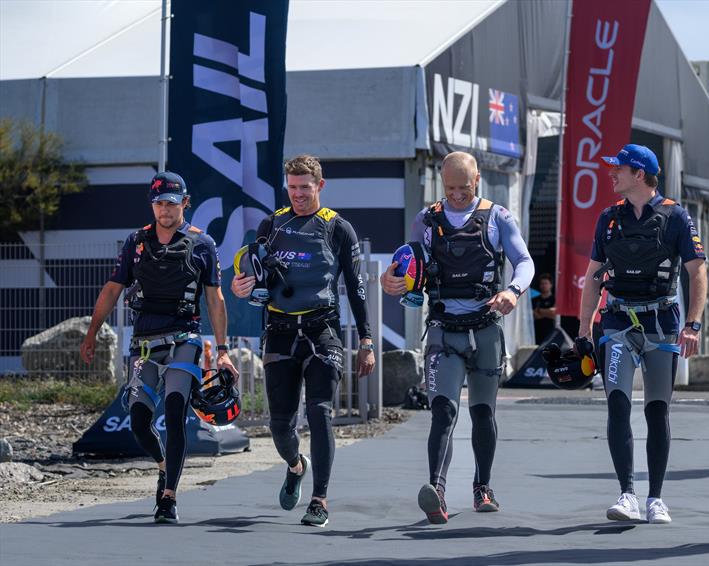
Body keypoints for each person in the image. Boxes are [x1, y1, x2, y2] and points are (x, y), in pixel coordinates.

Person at [380, 151, 534, 524]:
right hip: (444, 330)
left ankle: (483, 486)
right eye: (449, 188)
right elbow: (407, 265)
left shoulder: (497, 217)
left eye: (463, 188)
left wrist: (513, 290)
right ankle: (437, 490)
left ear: (476, 179)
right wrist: (391, 280)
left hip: (485, 329)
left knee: (483, 413)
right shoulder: (427, 220)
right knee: (443, 411)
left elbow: (525, 261)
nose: (456, 195)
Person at [80, 171, 238, 524]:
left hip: (185, 338)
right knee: (139, 422)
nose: (164, 209)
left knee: (176, 406)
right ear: (152, 205)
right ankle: (165, 467)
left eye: (171, 202)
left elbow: (215, 298)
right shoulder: (135, 242)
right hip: (145, 343)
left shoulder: (203, 244)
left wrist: (223, 348)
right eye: (159, 203)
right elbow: (111, 290)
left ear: (184, 203)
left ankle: (168, 497)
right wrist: (92, 332)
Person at [231, 154, 375, 527]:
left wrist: (367, 340)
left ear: (320, 186)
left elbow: (357, 290)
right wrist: (241, 286)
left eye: (304, 188)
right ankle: (296, 466)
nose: (297, 194)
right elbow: (252, 275)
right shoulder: (271, 225)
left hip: (321, 331)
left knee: (320, 412)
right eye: (292, 188)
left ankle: (320, 499)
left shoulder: (338, 228)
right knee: (280, 426)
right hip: (279, 332)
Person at [578, 144, 708, 524]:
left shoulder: (676, 217)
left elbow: (697, 271)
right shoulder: (608, 219)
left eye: (618, 169)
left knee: (657, 410)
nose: (611, 174)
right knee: (618, 404)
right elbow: (593, 276)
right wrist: (585, 328)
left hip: (662, 324)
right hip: (617, 322)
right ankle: (626, 495)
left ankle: (656, 498)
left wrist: (693, 324)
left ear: (639, 174)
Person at [532, 273, 556, 344]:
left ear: (551, 285)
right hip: (537, 332)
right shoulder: (535, 300)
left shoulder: (555, 299)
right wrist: (548, 312)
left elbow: (554, 313)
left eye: (546, 283)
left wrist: (539, 310)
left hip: (551, 332)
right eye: (542, 284)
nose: (544, 286)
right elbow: (535, 315)